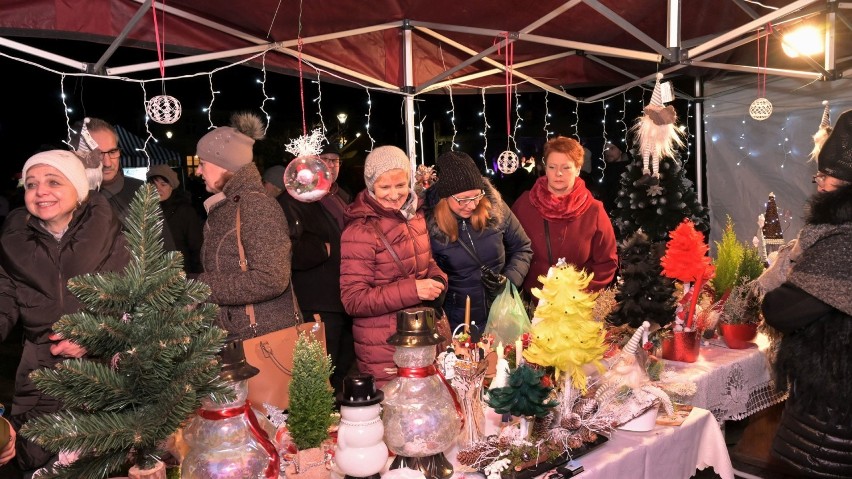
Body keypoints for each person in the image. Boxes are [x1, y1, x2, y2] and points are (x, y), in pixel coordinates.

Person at [0, 150, 129, 473]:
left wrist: (98, 337)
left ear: (78, 189)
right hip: (41, 381)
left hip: (107, 382)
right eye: (31, 184)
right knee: (39, 463)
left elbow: (140, 303)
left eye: (53, 181)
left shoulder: (112, 237)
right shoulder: (12, 245)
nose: (40, 191)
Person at [760, 109, 852, 478]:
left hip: (830, 423)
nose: (819, 183)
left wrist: (794, 265)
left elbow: (780, 309)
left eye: (827, 176)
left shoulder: (842, 243)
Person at [339, 146, 447, 387]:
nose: (394, 194)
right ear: (370, 187)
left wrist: (439, 281)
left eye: (400, 185)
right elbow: (353, 299)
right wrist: (414, 290)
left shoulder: (414, 215)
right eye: (384, 187)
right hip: (383, 346)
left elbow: (426, 262)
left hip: (420, 337)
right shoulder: (360, 230)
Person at [195, 112, 299, 340]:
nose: (198, 171)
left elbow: (271, 279)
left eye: (202, 163)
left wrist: (201, 287)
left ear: (224, 165)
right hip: (237, 337)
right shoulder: (226, 206)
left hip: (261, 340)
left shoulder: (256, 206)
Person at [278, 144, 355, 397]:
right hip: (318, 301)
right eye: (325, 160)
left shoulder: (339, 196)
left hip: (346, 296)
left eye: (335, 160)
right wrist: (326, 249)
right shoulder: (293, 198)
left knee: (343, 367)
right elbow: (285, 248)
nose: (331, 165)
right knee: (322, 373)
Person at [425, 151, 532, 331]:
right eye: (463, 199)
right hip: (457, 324)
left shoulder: (495, 207)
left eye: (476, 196)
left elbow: (523, 247)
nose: (472, 205)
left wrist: (509, 281)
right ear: (445, 197)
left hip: (501, 317)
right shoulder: (428, 222)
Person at [512, 136, 617, 296]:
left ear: (578, 169)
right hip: (532, 306)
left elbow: (607, 262)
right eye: (552, 167)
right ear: (545, 168)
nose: (558, 173)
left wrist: (581, 295)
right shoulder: (525, 204)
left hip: (577, 307)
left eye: (566, 167)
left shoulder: (594, 210)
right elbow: (508, 249)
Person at [146, 164, 204, 274]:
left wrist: (196, 276)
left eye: (163, 185)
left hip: (180, 274)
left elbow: (196, 247)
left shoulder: (185, 211)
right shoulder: (145, 211)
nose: (158, 189)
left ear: (171, 186)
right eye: (154, 185)